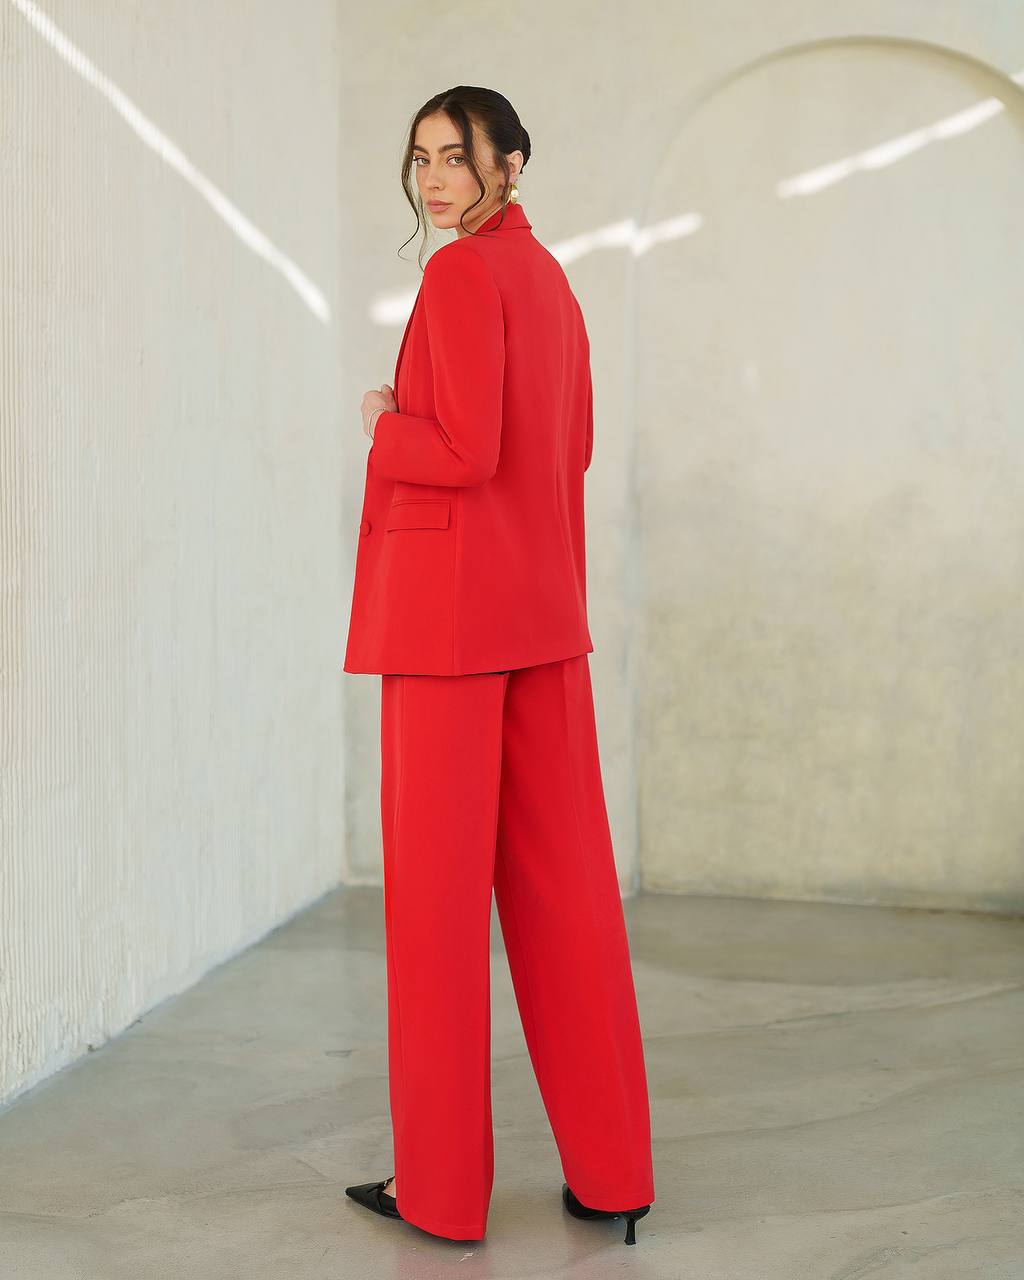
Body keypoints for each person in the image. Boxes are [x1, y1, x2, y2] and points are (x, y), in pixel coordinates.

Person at [342, 86, 655, 1247]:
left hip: (446, 636)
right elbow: (562, 449)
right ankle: (614, 1173)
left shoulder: (461, 277)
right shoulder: (552, 283)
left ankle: (440, 1192)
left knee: (433, 915)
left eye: (457, 159)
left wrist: (383, 416)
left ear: (509, 164)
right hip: (539, 623)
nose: (435, 180)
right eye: (420, 157)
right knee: (568, 899)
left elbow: (463, 451)